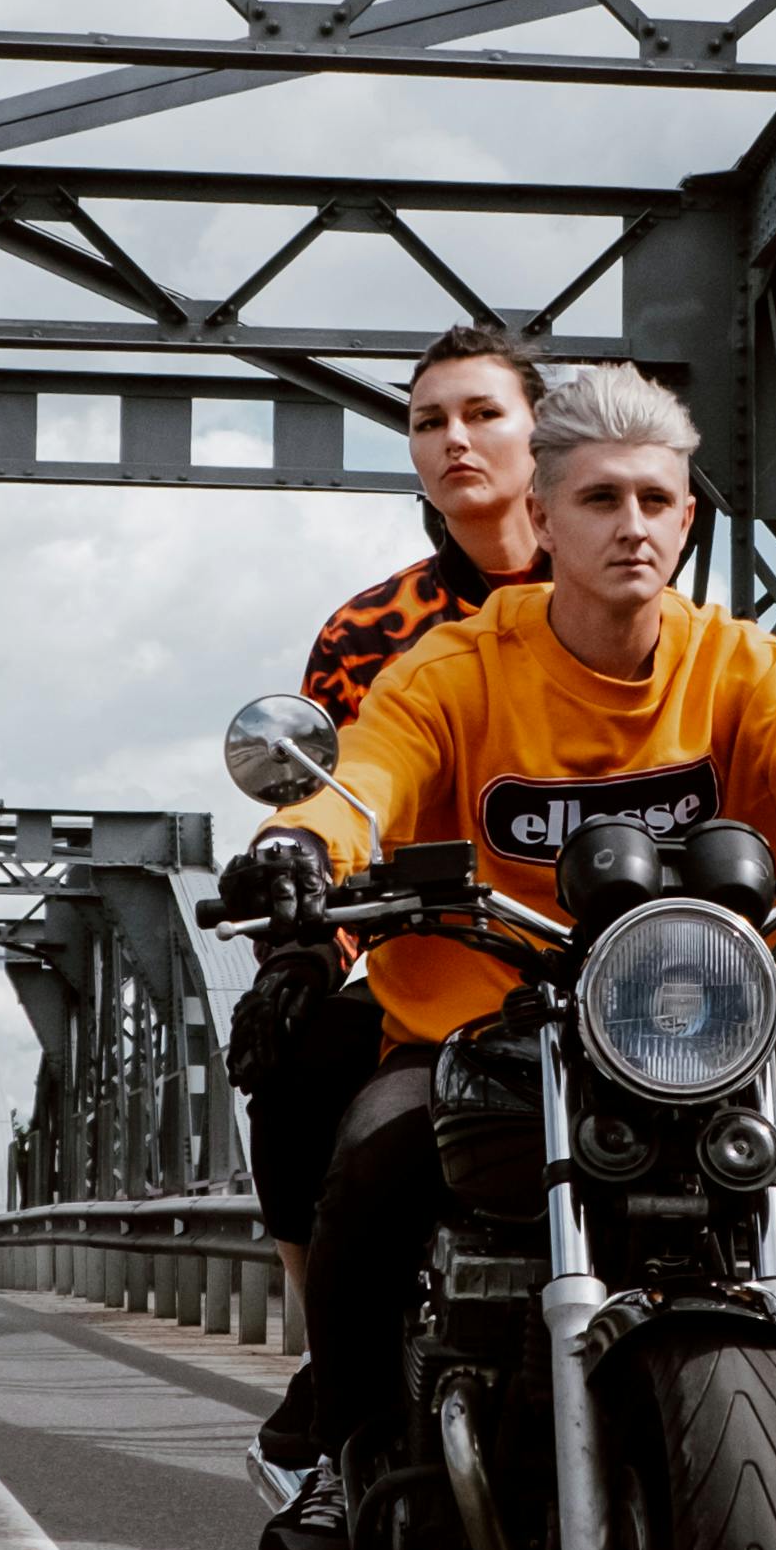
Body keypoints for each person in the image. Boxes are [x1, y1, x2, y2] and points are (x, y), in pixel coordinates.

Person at [224, 358, 776, 1550]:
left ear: (688, 519)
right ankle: (348, 1447)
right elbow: (366, 782)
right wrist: (298, 850)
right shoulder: (453, 667)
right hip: (487, 1027)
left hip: (689, 1030)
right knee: (374, 1165)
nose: (632, 527)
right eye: (599, 500)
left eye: (655, 500)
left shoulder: (742, 669)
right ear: (541, 522)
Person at [235, 324, 548, 1472]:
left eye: (480, 413)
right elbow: (343, 792)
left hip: (615, 960)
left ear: (540, 432)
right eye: (429, 422)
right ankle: (336, 1371)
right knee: (301, 1057)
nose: (455, 439)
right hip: (434, 948)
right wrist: (302, 946)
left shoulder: (624, 588)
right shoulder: (370, 630)